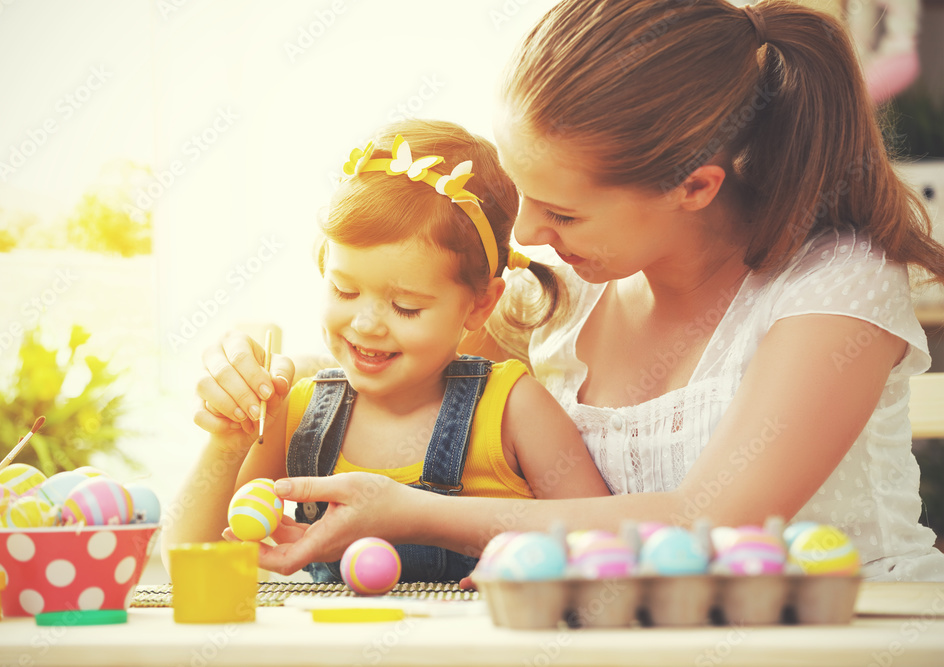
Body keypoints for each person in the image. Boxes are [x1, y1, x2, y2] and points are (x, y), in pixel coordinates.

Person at [191, 0, 944, 582]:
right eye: (521, 193)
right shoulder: (562, 294)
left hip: (856, 634)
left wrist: (417, 513)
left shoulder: (832, 285)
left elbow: (712, 522)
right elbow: (392, 356)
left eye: (563, 212)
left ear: (695, 186)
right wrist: (248, 362)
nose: (524, 232)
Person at [162, 119, 610, 583]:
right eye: (344, 290)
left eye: (405, 306)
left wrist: (528, 556)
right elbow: (192, 564)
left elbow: (607, 541)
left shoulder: (513, 408)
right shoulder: (296, 411)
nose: (366, 325)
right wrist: (227, 442)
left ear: (480, 304)